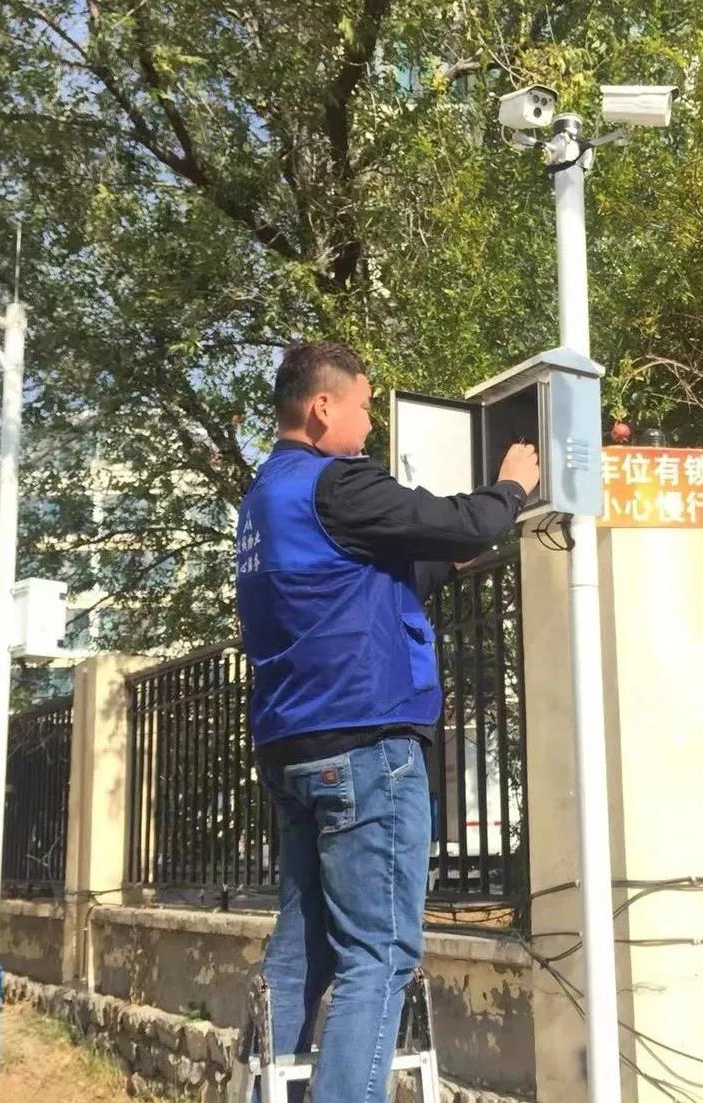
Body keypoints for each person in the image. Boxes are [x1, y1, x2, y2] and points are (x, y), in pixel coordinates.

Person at [235, 341, 538, 1102]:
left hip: (295, 747)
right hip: (366, 745)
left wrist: (453, 550)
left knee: (302, 950)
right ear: (323, 407)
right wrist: (510, 488)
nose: (370, 425)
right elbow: (456, 520)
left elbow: (358, 583)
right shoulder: (338, 482)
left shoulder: (264, 499)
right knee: (378, 955)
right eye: (364, 407)